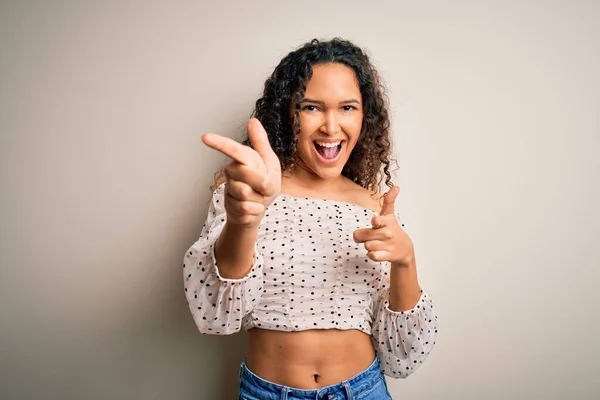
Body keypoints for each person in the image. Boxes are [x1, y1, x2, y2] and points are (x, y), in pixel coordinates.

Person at [184, 38, 437, 400]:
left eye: (347, 107)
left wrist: (405, 260)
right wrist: (243, 223)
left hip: (364, 391)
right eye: (312, 107)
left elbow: (402, 359)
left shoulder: (374, 206)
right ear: (288, 113)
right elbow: (215, 316)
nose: (331, 126)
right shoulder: (249, 190)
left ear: (365, 116)